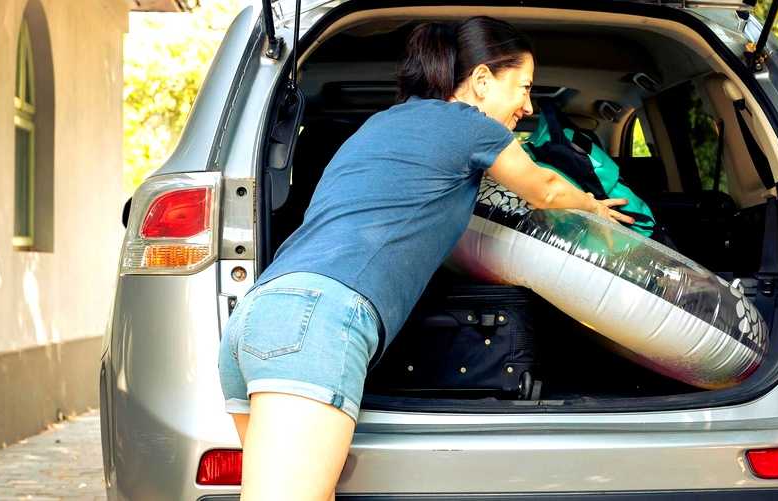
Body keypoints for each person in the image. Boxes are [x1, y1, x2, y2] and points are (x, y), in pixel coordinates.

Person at [217, 16, 633, 500]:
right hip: (318, 325)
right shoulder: (469, 126)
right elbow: (543, 187)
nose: (527, 105)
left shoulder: (387, 123)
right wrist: (592, 206)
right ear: (481, 81)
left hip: (259, 316)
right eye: (522, 87)